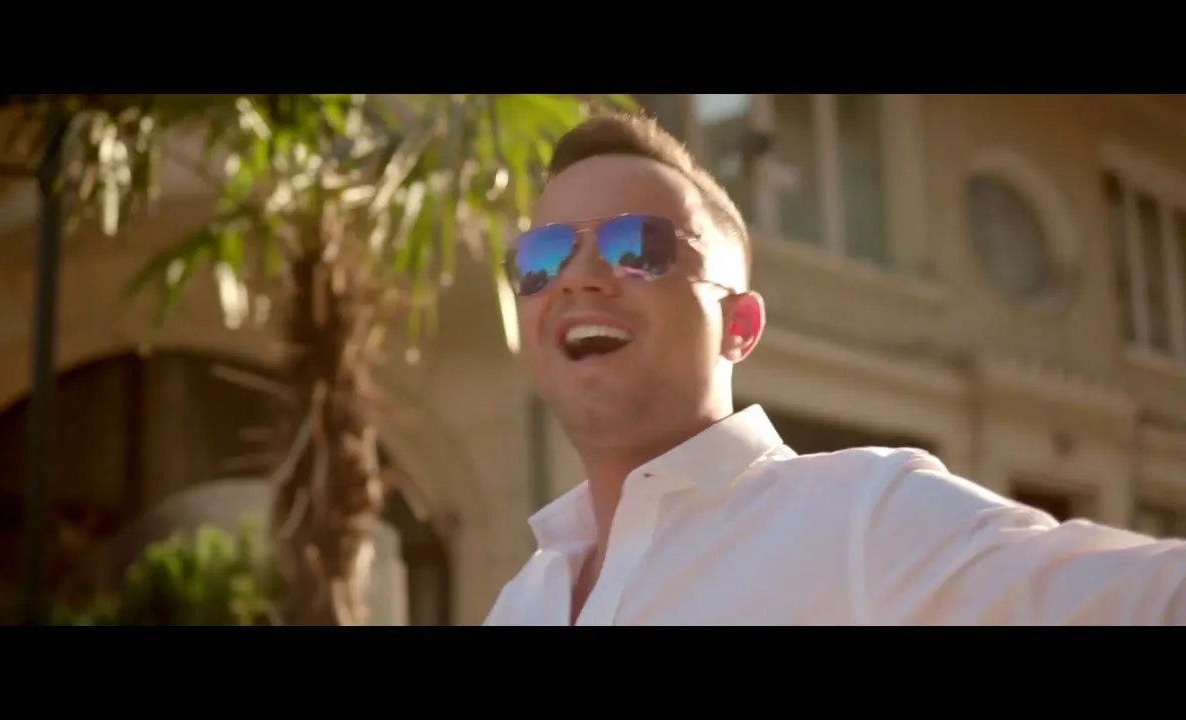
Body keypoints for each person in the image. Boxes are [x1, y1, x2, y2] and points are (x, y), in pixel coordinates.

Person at [483, 112, 1186, 626]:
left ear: (740, 326)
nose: (578, 277)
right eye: (543, 258)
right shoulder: (524, 599)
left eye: (637, 246)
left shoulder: (862, 516)